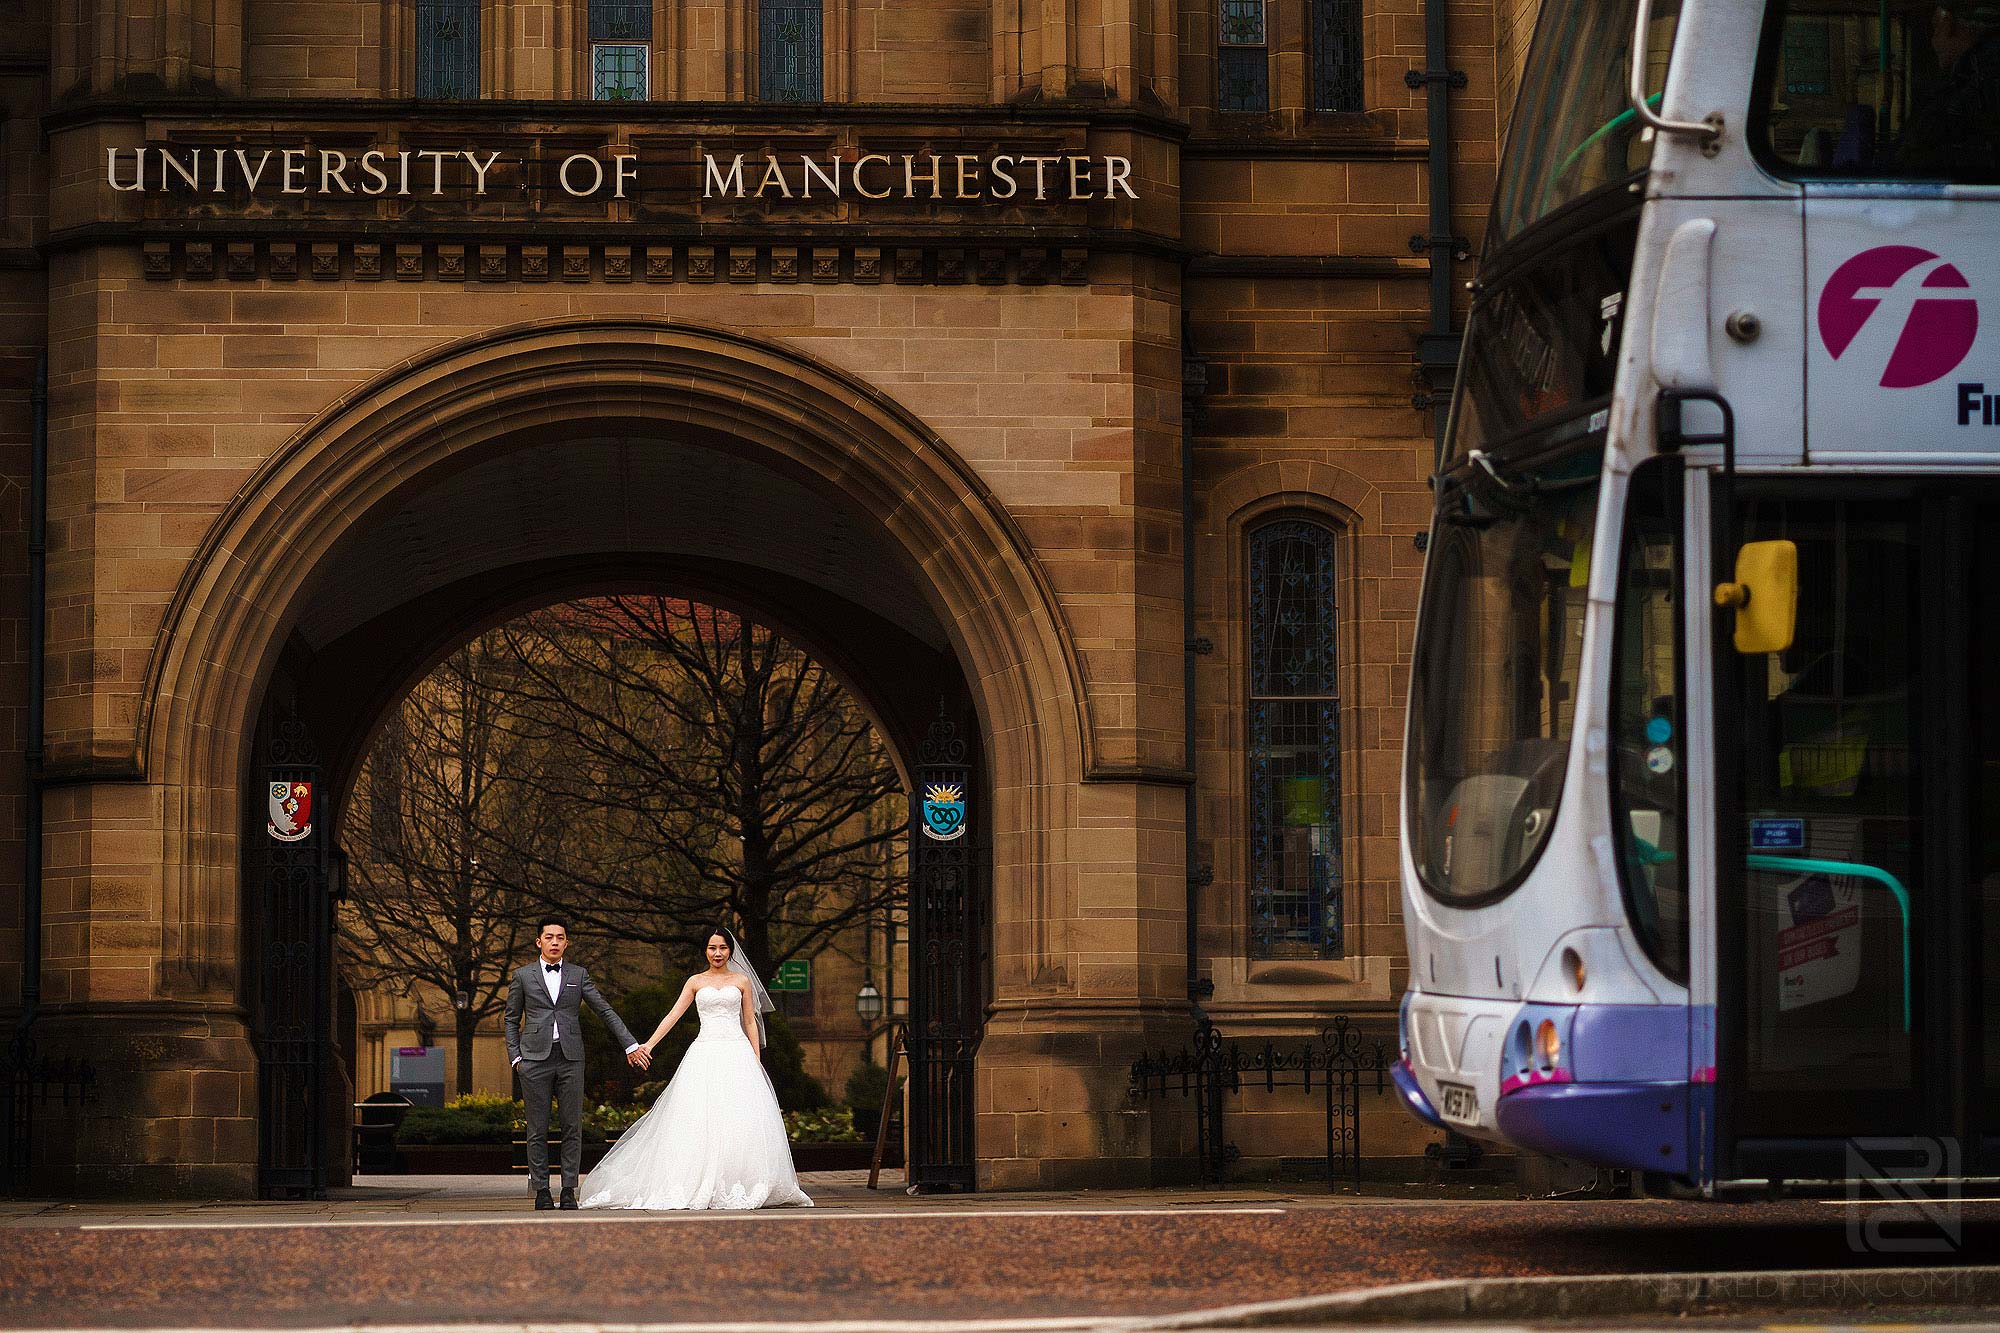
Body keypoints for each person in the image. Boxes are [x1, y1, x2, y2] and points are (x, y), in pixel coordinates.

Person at [579, 926, 813, 1210]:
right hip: (704, 1051)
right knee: (699, 1115)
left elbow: (750, 1021)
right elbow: (673, 1015)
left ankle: (740, 1181)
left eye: (723, 948)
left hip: (737, 1052)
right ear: (705, 950)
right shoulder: (695, 982)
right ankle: (697, 1178)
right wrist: (648, 1045)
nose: (717, 953)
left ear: (730, 950)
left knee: (739, 1119)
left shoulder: (741, 981)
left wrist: (755, 1060)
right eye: (712, 948)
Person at [503, 916, 651, 1211]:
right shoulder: (523, 975)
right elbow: (510, 1018)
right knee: (537, 1129)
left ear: (566, 942)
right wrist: (516, 1057)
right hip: (533, 1060)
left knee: (573, 1126)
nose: (555, 942)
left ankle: (569, 1188)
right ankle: (542, 1189)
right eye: (549, 937)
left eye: (560, 937)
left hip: (571, 1058)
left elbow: (604, 1010)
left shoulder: (578, 974)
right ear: (539, 941)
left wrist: (630, 1044)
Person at [1895, 0, 2000, 182]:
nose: (1934, 41)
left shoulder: (1979, 75)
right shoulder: (1969, 75)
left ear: (1949, 24)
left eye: (1935, 29)